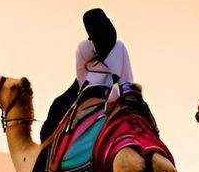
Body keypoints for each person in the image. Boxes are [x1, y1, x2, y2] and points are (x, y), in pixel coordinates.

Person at [39, 8, 135, 141]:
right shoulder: (113, 47)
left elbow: (82, 77)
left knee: (58, 106)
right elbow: (126, 77)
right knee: (58, 105)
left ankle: (45, 152)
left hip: (94, 88)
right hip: (103, 89)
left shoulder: (89, 47)